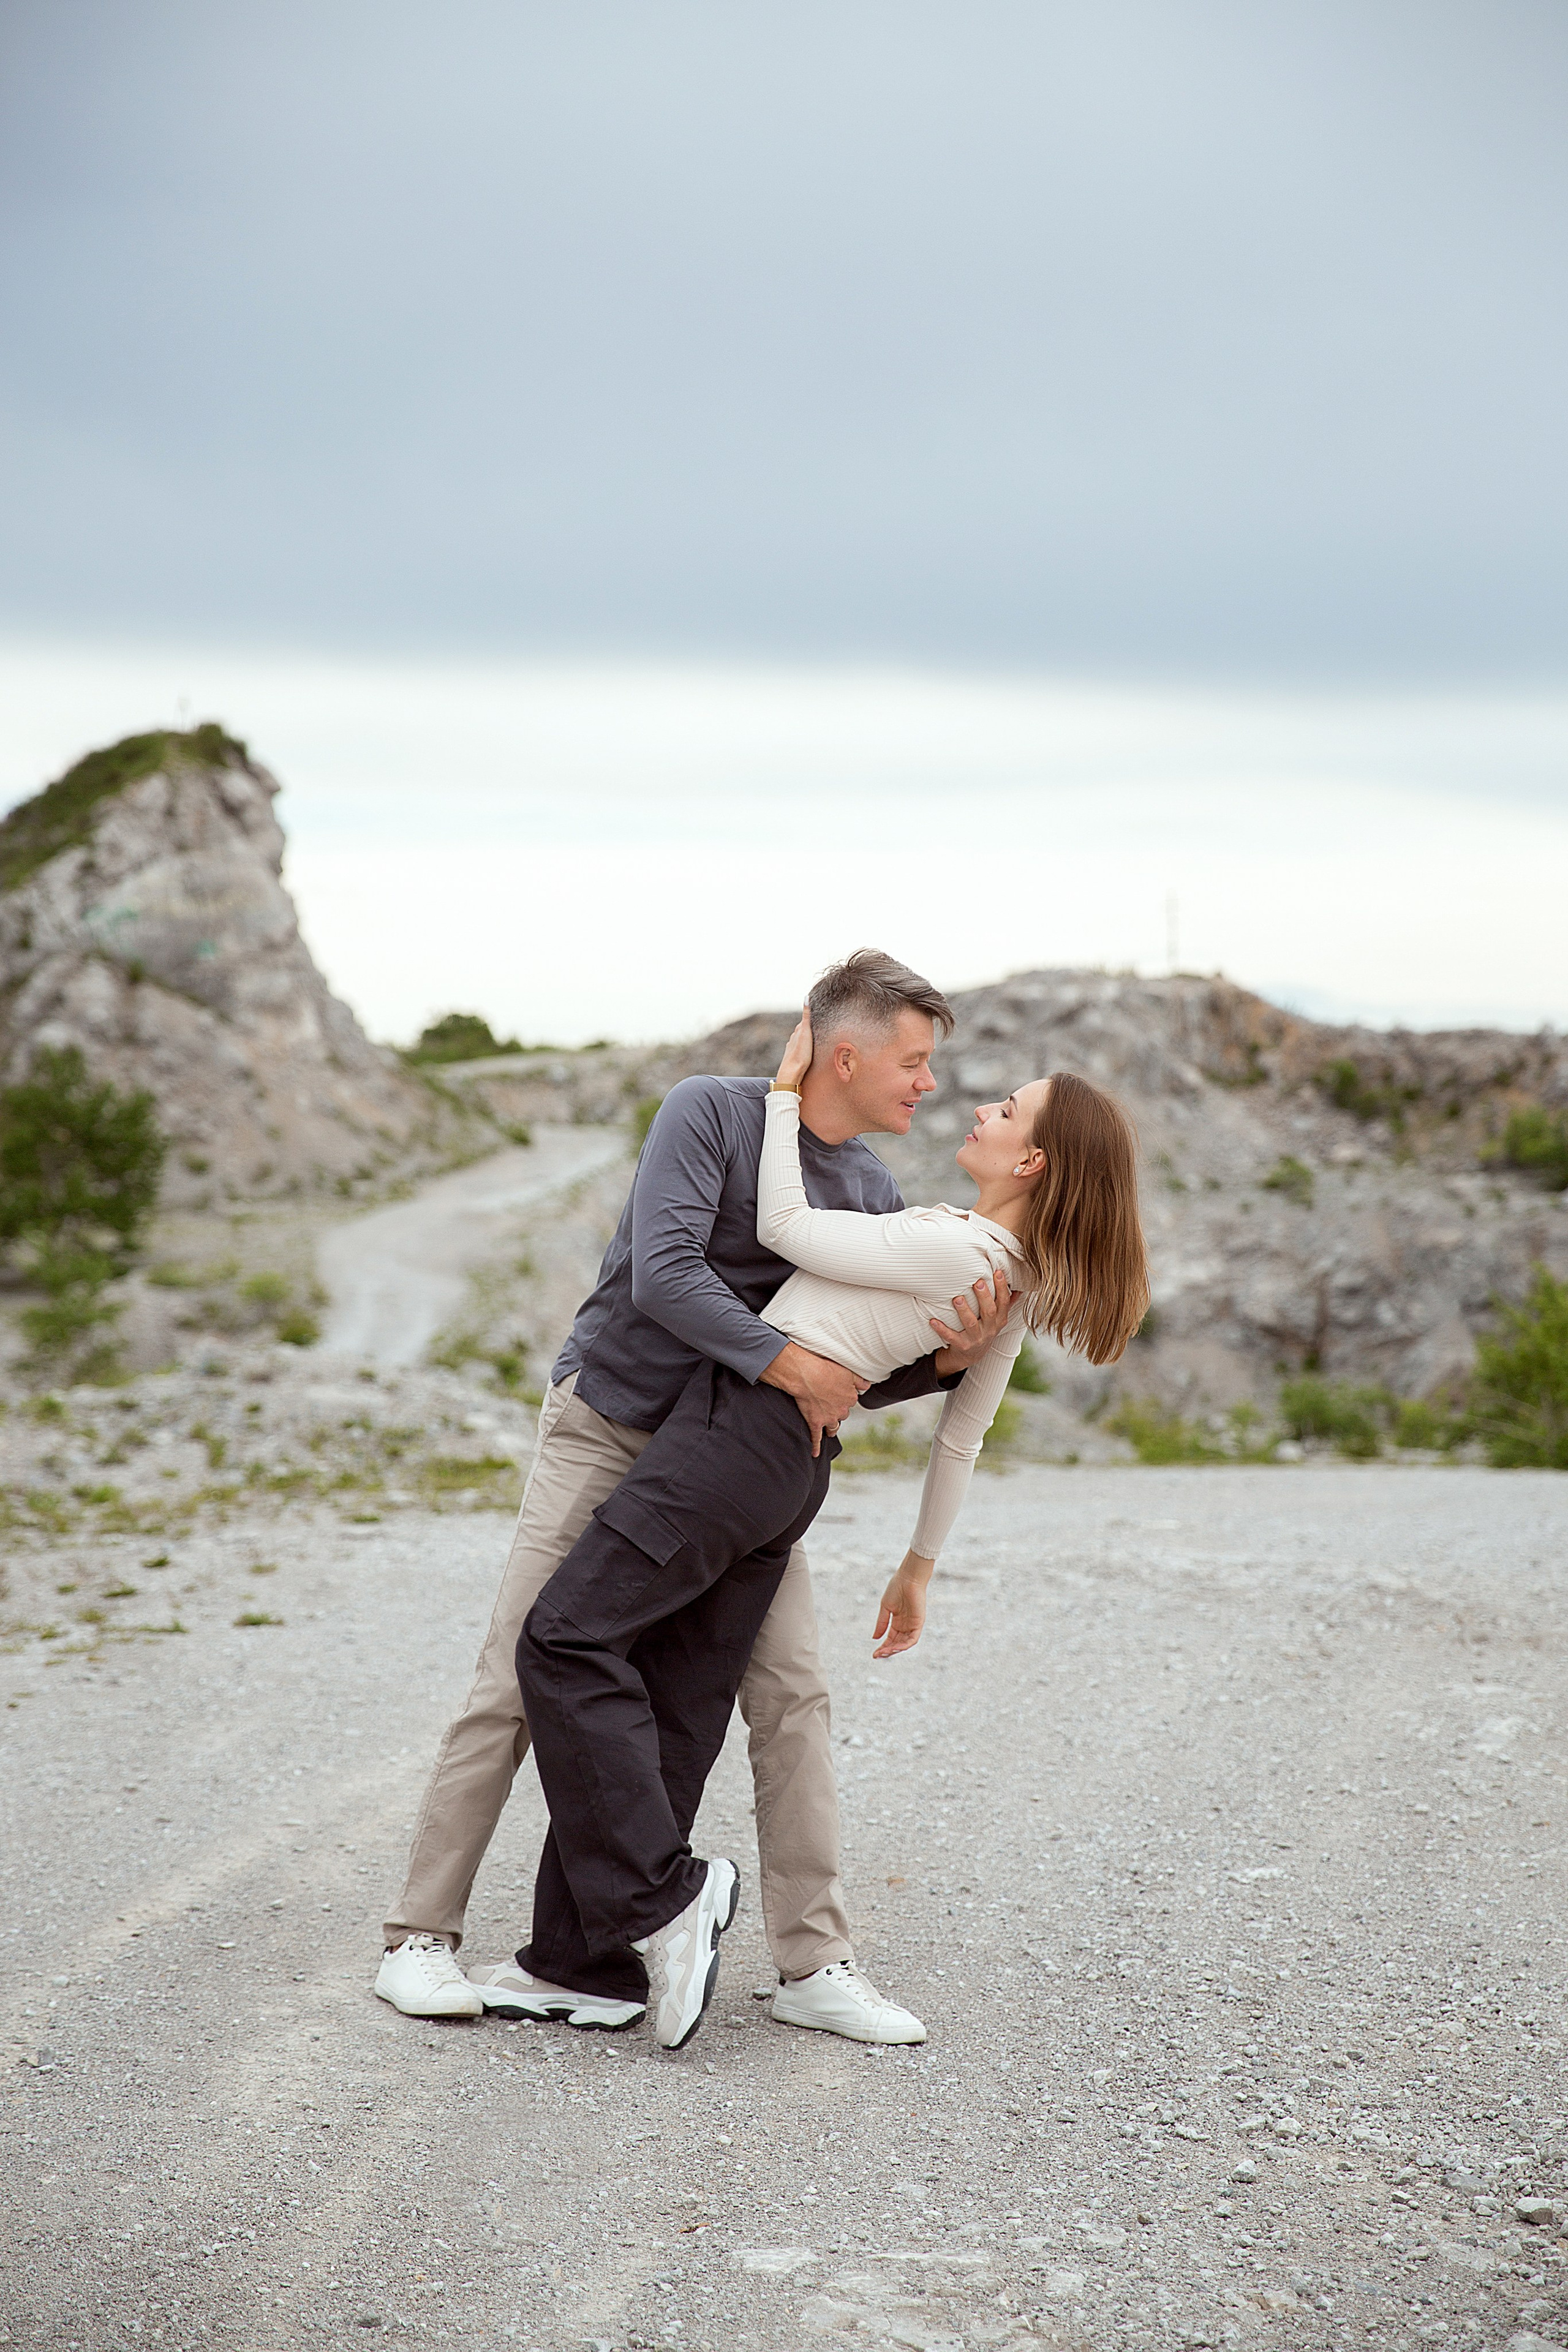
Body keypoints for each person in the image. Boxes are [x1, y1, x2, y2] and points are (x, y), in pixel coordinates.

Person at [374, 950, 1011, 2043]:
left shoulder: (868, 1189)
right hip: (610, 1424)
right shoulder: (706, 1113)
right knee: (522, 1666)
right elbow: (666, 1276)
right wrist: (784, 1367)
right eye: (912, 1061)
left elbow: (839, 1361)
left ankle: (815, 1963)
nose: (927, 1084)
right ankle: (420, 1938)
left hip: (726, 1467)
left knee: (793, 1695)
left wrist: (946, 1364)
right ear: (843, 1052)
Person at [514, 1007, 1151, 2049]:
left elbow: (783, 1231)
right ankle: (584, 1963)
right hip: (784, 1469)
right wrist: (917, 1568)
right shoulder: (1007, 1280)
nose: (976, 1102)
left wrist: (777, 1095)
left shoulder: (955, 1245)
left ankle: (663, 1901)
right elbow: (960, 1438)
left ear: (1032, 1159)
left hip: (738, 1436)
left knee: (565, 1639)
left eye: (1006, 1106)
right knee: (682, 1694)